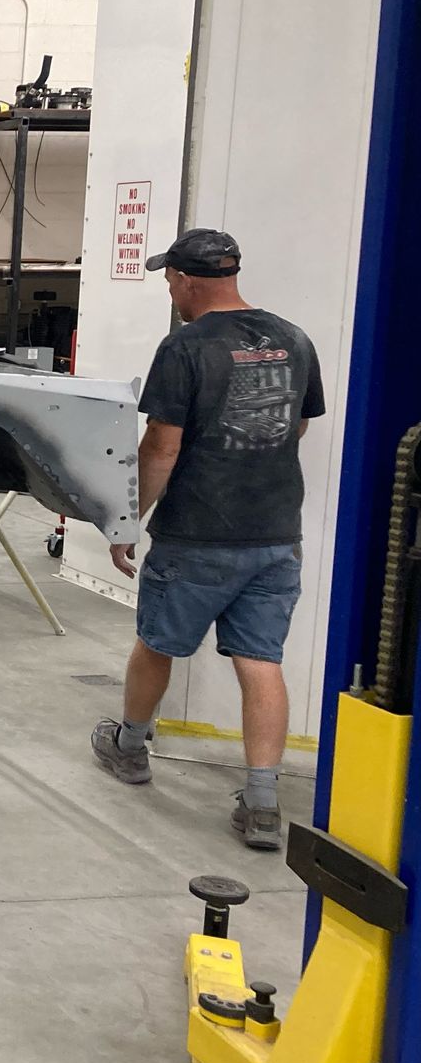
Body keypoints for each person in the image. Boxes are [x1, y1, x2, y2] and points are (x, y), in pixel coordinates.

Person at [90, 229, 325, 851]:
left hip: (197, 532)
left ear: (189, 281)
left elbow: (162, 446)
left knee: (157, 643)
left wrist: (127, 517)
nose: (171, 290)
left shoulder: (187, 346)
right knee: (261, 661)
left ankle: (131, 746)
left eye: (170, 281)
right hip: (276, 532)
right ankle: (264, 800)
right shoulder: (293, 340)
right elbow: (296, 424)